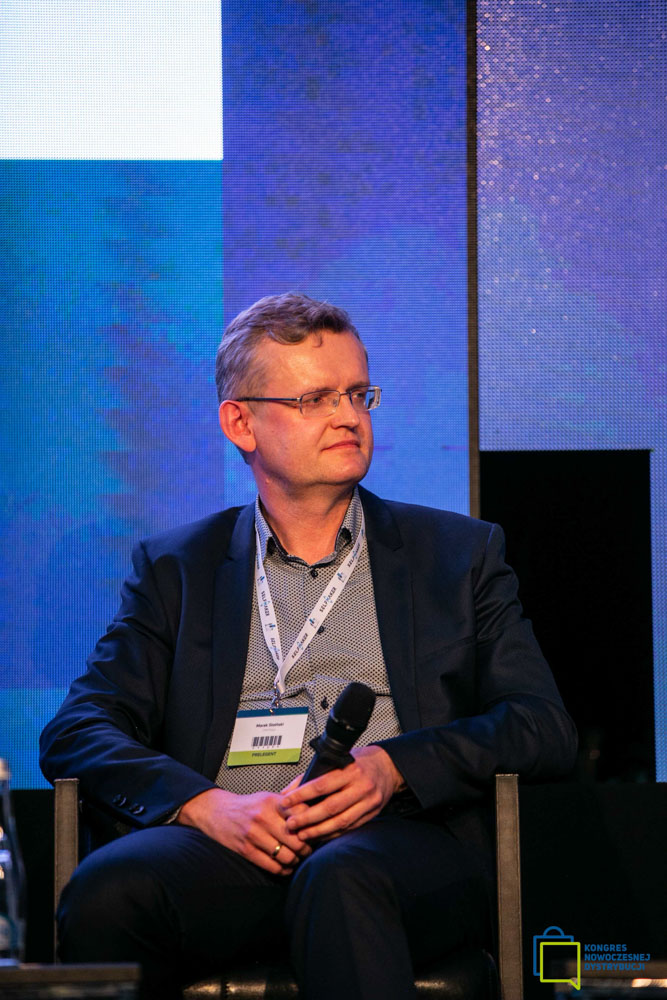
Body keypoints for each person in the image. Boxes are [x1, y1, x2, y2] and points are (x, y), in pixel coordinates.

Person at [40, 292, 577, 1000]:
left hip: (397, 850)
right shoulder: (177, 569)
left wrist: (394, 767)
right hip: (235, 850)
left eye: (357, 394)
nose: (348, 416)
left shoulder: (456, 554)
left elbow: (541, 726)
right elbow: (78, 730)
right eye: (315, 399)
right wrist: (205, 806)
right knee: (109, 891)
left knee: (341, 877)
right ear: (241, 422)